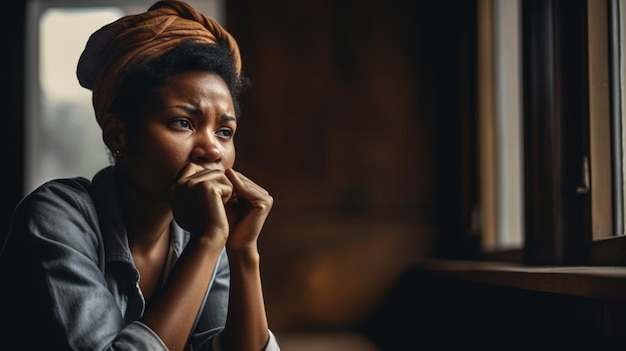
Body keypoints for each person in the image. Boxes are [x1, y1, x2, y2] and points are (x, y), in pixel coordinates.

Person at [0, 1, 280, 350]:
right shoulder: (54, 218)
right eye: (183, 122)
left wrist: (243, 252)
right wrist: (208, 243)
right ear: (118, 135)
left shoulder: (202, 229)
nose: (212, 149)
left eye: (225, 131)